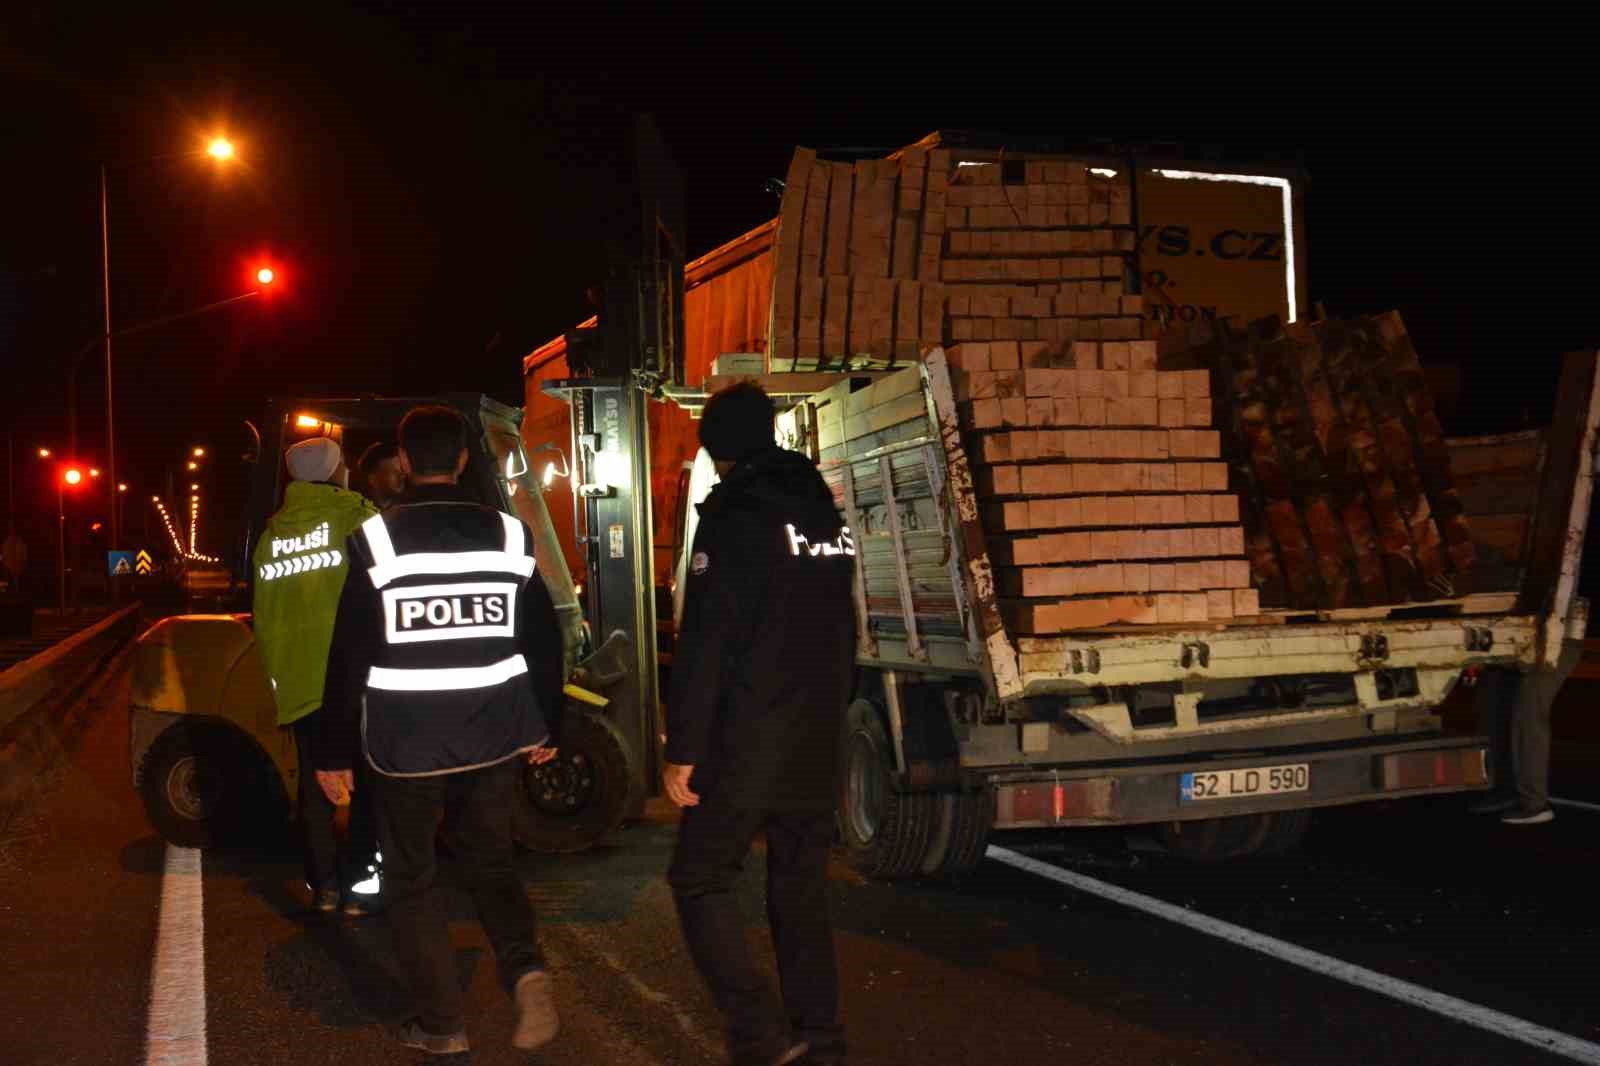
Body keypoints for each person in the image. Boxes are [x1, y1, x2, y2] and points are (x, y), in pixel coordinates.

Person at [315, 404, 566, 1056]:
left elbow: (348, 653)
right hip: (494, 731)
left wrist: (332, 750)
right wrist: (548, 722)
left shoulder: (376, 540)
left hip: (407, 743)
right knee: (489, 858)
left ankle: (442, 1025)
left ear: (403, 463)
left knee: (412, 878)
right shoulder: (511, 536)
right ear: (461, 460)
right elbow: (543, 636)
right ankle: (526, 968)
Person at [663, 383, 857, 1066]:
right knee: (799, 883)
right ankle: (820, 1034)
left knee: (699, 876)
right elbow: (844, 623)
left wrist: (683, 747)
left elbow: (707, 640)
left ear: (718, 450)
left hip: (749, 736)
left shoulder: (733, 514)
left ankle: (758, 1032)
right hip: (817, 731)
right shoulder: (822, 511)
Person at [251, 436, 382, 917]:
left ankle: (324, 886)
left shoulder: (272, 536)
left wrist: (279, 678)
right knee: (369, 783)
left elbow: (264, 618)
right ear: (336, 473)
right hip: (356, 677)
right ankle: (360, 888)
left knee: (314, 788)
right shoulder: (356, 518)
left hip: (302, 680)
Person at [1470, 598, 1587, 825]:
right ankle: (1505, 790)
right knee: (1493, 706)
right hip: (1521, 634)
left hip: (1555, 635)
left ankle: (1535, 804)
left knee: (1529, 714)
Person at [358, 440, 406, 509]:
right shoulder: (359, 514)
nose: (402, 475)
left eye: (402, 470)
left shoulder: (403, 511)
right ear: (373, 480)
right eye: (394, 471)